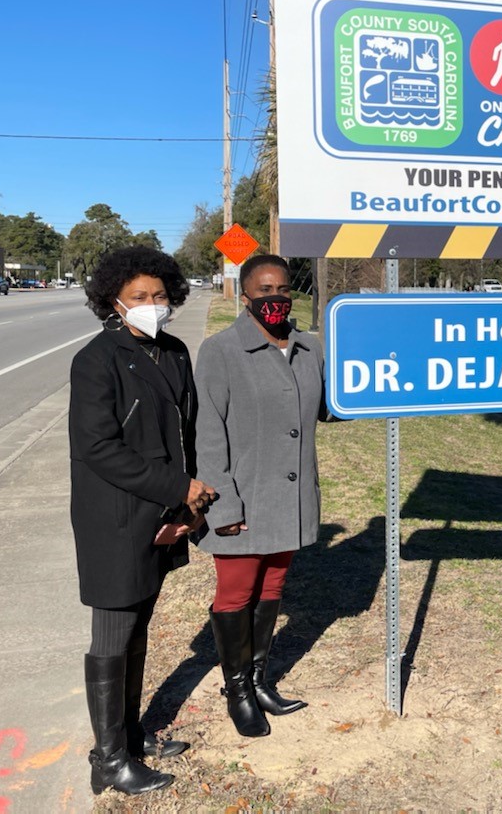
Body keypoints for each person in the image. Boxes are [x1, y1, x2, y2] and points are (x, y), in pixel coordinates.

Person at [69, 246, 215, 796]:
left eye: (159, 296)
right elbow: (97, 448)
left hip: (164, 513)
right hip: (114, 519)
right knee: (113, 632)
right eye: (139, 297)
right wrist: (178, 486)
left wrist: (188, 505)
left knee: (139, 630)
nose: (152, 305)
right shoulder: (96, 359)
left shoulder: (174, 352)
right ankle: (108, 760)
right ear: (114, 300)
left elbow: (188, 432)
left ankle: (131, 735)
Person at [194, 254, 327, 737]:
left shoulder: (309, 348)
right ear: (245, 296)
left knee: (271, 590)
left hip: (288, 499)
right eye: (264, 290)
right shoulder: (222, 351)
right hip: (243, 500)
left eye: (283, 289)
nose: (275, 298)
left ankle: (258, 680)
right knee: (236, 593)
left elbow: (330, 407)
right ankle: (238, 693)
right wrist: (223, 506)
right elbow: (208, 435)